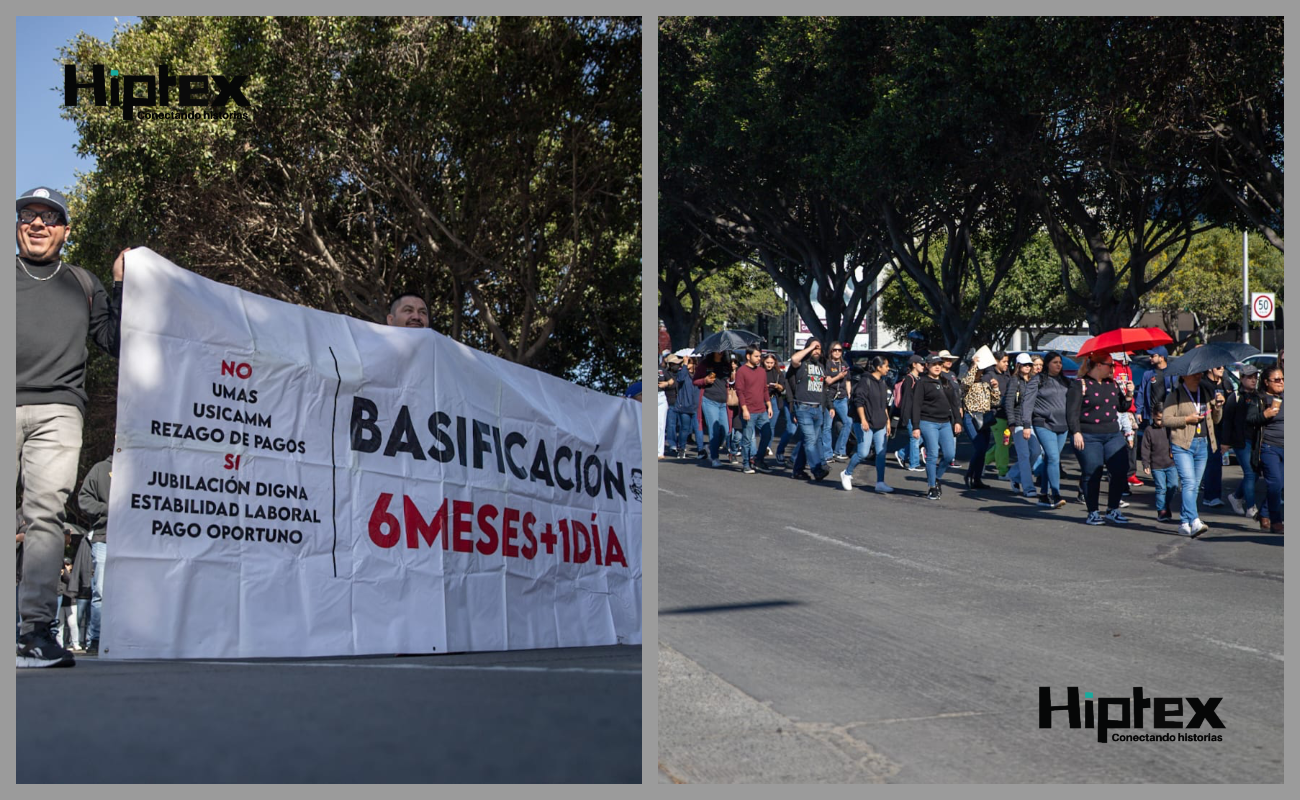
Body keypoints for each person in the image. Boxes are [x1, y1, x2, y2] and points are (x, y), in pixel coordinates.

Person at [16, 187, 124, 669]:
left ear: (64, 230)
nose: (38, 224)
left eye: (49, 217)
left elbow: (117, 340)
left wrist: (124, 285)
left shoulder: (83, 282)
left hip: (59, 411)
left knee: (44, 517)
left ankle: (34, 633)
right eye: (29, 215)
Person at [1066, 354, 1132, 526]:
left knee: (1120, 470)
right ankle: (1093, 512)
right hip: (1088, 435)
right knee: (1092, 472)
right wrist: (1076, 432)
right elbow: (1071, 412)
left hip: (1112, 434)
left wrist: (1129, 394)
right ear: (1098, 365)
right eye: (1110, 365)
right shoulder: (1079, 384)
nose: (1113, 369)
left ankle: (1112, 509)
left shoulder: (1112, 384)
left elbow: (1122, 407)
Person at [1161, 369, 1224, 538]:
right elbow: (1165, 419)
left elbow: (1215, 419)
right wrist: (1186, 420)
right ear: (1183, 376)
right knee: (1189, 482)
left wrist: (1218, 406)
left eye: (1200, 374)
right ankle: (1194, 520)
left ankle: (1184, 522)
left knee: (1194, 485)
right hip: (1182, 443)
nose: (1198, 377)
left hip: (1202, 443)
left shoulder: (1206, 392)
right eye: (1194, 374)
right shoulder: (1176, 394)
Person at [1022, 352, 1070, 509]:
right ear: (1047, 364)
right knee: (1054, 458)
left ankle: (1043, 494)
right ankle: (1055, 494)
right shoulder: (1037, 380)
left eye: (1060, 363)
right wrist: (1027, 425)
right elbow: (1027, 404)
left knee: (1050, 460)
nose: (1058, 365)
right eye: (1055, 362)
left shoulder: (1065, 381)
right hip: (1044, 423)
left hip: (1063, 426)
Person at [910, 355, 963, 500]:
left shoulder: (946, 381)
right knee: (933, 454)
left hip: (945, 422)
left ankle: (937, 477)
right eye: (934, 364)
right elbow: (916, 405)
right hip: (928, 422)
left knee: (949, 455)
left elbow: (954, 403)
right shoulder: (922, 382)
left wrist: (958, 421)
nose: (937, 367)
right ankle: (932, 486)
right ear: (927, 366)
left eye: (939, 364)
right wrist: (915, 426)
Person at [78, 453, 113, 653]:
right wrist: (108, 509)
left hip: (134, 539)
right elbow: (84, 499)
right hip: (104, 536)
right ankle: (97, 640)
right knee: (100, 591)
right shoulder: (101, 468)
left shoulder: (140, 466)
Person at [841, 356, 893, 493]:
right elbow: (859, 401)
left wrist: (887, 421)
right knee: (863, 453)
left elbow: (884, 405)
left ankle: (880, 482)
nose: (888, 369)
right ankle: (847, 473)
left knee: (881, 453)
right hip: (866, 423)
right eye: (886, 366)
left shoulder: (882, 382)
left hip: (880, 422)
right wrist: (863, 420)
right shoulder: (865, 381)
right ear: (878, 367)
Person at [786, 339, 831, 481]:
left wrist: (828, 407)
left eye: (819, 348)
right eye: (814, 348)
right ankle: (817, 469)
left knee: (808, 441)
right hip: (803, 407)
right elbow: (794, 358)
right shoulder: (801, 365)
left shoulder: (821, 366)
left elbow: (825, 388)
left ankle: (798, 470)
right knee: (811, 441)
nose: (817, 351)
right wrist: (811, 347)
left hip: (818, 409)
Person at [1246, 366, 1284, 534]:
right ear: (1267, 382)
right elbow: (1250, 419)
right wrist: (1265, 415)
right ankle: (1276, 521)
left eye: (1283, 379)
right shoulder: (1259, 399)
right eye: (1277, 380)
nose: (1281, 382)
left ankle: (1264, 513)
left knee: (1282, 485)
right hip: (1269, 447)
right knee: (1275, 483)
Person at [1221, 364, 1260, 519]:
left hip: (1256, 440)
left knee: (1255, 474)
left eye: (1255, 377)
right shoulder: (1235, 397)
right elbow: (1227, 421)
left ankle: (1236, 496)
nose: (1253, 380)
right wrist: (1225, 442)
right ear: (1241, 378)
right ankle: (1251, 507)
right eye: (1249, 377)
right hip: (1240, 441)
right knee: (1250, 473)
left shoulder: (1258, 396)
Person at [961, 346, 1002, 490]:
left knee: (983, 449)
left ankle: (976, 478)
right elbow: (966, 382)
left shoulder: (985, 384)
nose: (980, 372)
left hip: (984, 418)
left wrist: (996, 388)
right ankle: (970, 475)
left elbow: (995, 402)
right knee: (979, 448)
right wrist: (974, 365)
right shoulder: (967, 383)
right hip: (971, 417)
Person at [1004, 353, 1043, 498]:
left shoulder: (1034, 380)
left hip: (1032, 422)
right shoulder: (1014, 380)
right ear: (1018, 366)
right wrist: (1012, 423)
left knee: (1036, 452)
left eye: (1029, 365)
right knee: (1024, 454)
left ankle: (1014, 474)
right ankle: (1028, 487)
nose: (1028, 367)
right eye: (1025, 365)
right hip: (1018, 422)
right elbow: (1008, 403)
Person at [733, 345, 773, 474]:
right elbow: (740, 392)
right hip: (749, 410)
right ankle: (745, 464)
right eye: (756, 356)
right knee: (747, 439)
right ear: (748, 356)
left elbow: (764, 390)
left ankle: (758, 459)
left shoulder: (761, 371)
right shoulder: (741, 371)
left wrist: (769, 405)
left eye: (760, 356)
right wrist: (744, 410)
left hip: (762, 410)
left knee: (767, 434)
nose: (759, 359)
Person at [694, 351, 733, 467]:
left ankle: (710, 447)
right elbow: (695, 380)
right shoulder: (704, 365)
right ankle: (714, 457)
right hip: (709, 400)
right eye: (718, 350)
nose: (720, 352)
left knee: (726, 430)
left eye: (722, 350)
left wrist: (732, 377)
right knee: (714, 430)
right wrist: (704, 380)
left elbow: (730, 381)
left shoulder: (727, 365)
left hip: (723, 402)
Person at [1140, 407, 1179, 524]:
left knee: (1173, 486)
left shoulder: (1169, 428)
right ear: (1153, 416)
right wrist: (1145, 464)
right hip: (1156, 466)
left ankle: (1165, 505)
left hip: (1171, 463)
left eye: (1163, 419)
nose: (1161, 422)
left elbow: (1177, 441)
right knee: (1161, 488)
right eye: (1158, 420)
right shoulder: (1149, 430)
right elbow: (1145, 448)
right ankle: (1161, 510)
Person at [1198, 364, 1228, 507]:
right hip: (1209, 427)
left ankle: (1214, 494)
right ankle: (1210, 497)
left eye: (1223, 367)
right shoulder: (1203, 384)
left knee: (1216, 461)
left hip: (1223, 427)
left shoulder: (1225, 383)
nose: (1221, 369)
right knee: (1212, 461)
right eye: (1218, 367)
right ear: (1209, 367)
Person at [982, 351, 1013, 480]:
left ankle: (981, 461)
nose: (1007, 364)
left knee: (1007, 442)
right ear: (996, 361)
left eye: (1007, 361)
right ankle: (1002, 471)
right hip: (996, 415)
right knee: (1003, 443)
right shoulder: (988, 376)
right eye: (1004, 361)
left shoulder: (1007, 375)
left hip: (1007, 415)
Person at [893, 355, 926, 472]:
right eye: (921, 364)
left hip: (917, 415)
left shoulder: (918, 379)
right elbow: (907, 400)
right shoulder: (909, 379)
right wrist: (905, 417)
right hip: (911, 415)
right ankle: (914, 464)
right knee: (915, 438)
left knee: (920, 438)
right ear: (914, 364)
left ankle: (902, 453)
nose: (923, 366)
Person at [821, 343, 851, 462]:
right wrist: (838, 376)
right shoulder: (827, 364)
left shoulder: (844, 365)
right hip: (830, 398)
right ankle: (827, 453)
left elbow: (848, 380)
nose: (837, 352)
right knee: (827, 426)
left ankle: (839, 450)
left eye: (839, 350)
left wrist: (849, 394)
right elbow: (827, 381)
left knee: (848, 422)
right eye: (835, 350)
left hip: (842, 397)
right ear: (830, 351)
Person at [670, 356, 699, 459]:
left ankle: (701, 450)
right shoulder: (683, 373)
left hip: (695, 406)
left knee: (698, 429)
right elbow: (680, 379)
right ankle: (681, 449)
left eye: (690, 363)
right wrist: (685, 365)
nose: (687, 365)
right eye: (687, 363)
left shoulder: (697, 374)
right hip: (684, 406)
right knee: (685, 429)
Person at [761, 352, 786, 466]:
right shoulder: (760, 371)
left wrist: (777, 386)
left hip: (774, 399)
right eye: (767, 363)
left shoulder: (777, 373)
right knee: (762, 424)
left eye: (771, 363)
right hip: (761, 400)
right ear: (763, 362)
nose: (769, 365)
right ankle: (763, 446)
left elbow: (782, 387)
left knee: (771, 425)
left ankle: (767, 446)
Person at [661, 354, 682, 456]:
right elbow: (663, 386)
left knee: (682, 424)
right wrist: (669, 383)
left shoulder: (681, 373)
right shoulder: (665, 374)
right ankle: (672, 443)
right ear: (670, 364)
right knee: (671, 424)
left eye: (678, 364)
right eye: (675, 364)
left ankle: (681, 443)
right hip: (670, 401)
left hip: (681, 402)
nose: (677, 366)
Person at [656, 352, 674, 460]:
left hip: (661, 396)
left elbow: (672, 380)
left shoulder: (661, 369)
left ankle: (659, 452)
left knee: (661, 426)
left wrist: (666, 384)